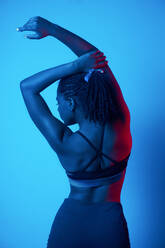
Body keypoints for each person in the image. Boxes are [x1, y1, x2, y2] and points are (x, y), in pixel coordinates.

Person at [18, 16, 132, 248]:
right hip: (109, 224)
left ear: (71, 102)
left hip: (70, 223)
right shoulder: (121, 123)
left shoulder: (65, 142)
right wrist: (52, 29)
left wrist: (75, 67)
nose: (58, 108)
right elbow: (97, 58)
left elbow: (27, 87)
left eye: (58, 102)